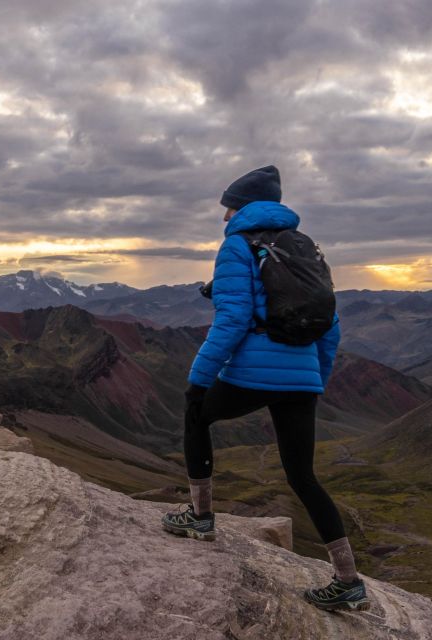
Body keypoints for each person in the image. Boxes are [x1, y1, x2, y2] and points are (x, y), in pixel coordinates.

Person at [161, 165, 369, 612]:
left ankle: (199, 517)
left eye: (228, 207)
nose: (223, 217)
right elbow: (329, 327)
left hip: (252, 374)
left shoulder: (237, 247)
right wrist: (316, 379)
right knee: (303, 476)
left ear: (243, 207)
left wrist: (200, 377)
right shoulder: (305, 248)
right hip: (302, 380)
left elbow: (233, 319)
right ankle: (348, 580)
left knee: (197, 413)